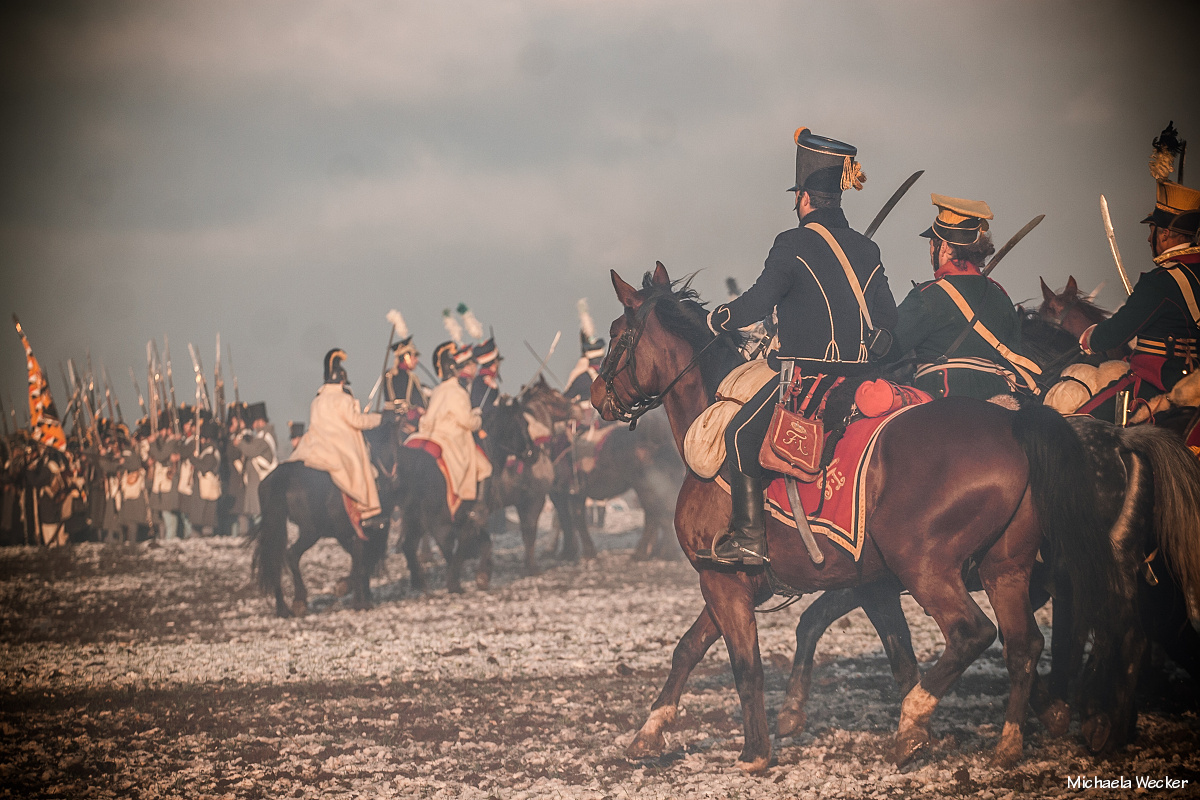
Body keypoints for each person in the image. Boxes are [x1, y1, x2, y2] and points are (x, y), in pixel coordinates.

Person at [698, 126, 897, 566]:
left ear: (805, 197)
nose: (795, 202)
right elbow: (889, 320)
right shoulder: (867, 249)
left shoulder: (791, 243)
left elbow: (757, 301)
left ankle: (750, 538)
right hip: (863, 378)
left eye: (796, 195)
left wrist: (718, 317)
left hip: (807, 379)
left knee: (738, 437)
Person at [1081, 123, 1200, 421]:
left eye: (1153, 231)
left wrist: (1091, 339)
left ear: (1166, 234)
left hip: (1158, 385)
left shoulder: (1160, 283)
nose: (1149, 239)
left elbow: (1117, 332)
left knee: (1077, 424)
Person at [886, 194, 1039, 404]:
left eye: (933, 243)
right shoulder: (1000, 296)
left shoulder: (929, 295)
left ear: (946, 247)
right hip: (1001, 401)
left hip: (945, 397)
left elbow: (888, 348)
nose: (931, 250)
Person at [288, 349, 384, 537]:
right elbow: (356, 422)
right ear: (342, 381)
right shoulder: (344, 399)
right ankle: (365, 511)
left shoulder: (316, 401)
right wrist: (378, 419)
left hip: (315, 447)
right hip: (340, 446)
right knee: (362, 471)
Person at [409, 341, 493, 513]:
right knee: (485, 468)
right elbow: (467, 422)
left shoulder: (438, 390)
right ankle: (476, 509)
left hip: (432, 434)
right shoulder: (458, 392)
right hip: (453, 440)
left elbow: (428, 419)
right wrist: (478, 417)